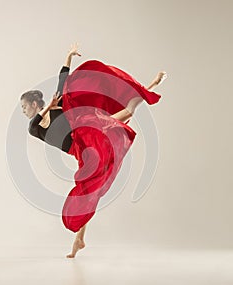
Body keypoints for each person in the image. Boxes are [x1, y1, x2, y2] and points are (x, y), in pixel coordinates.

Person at [20, 43, 167, 258]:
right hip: (80, 149)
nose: (23, 110)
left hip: (84, 130)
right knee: (87, 192)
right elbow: (34, 126)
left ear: (34, 103)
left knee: (121, 115)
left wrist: (68, 56)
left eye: (25, 106)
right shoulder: (35, 125)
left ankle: (146, 89)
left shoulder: (57, 101)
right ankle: (79, 240)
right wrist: (49, 106)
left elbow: (64, 77)